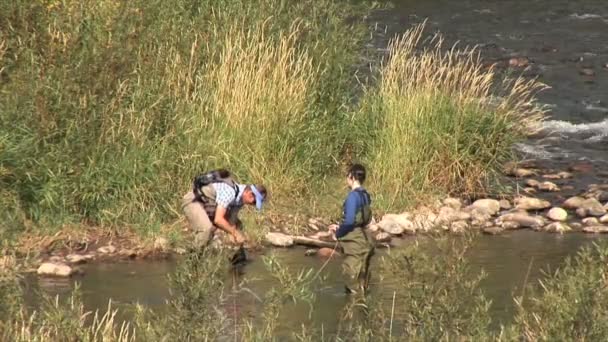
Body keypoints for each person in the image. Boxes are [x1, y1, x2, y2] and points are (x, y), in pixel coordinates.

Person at [181, 169, 267, 249]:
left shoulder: (240, 200)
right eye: (254, 202)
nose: (252, 204)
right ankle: (193, 258)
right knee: (206, 228)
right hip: (193, 201)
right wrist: (235, 233)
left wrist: (235, 235)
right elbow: (218, 219)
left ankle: (202, 252)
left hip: (207, 203)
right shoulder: (230, 192)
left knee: (237, 225)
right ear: (249, 193)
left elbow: (231, 222)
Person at [329, 164, 374, 295]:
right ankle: (362, 312)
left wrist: (338, 233)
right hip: (366, 239)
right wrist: (340, 225)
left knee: (352, 281)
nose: (346, 179)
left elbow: (349, 222)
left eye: (347, 176)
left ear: (352, 177)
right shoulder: (365, 195)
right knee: (363, 282)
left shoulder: (352, 197)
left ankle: (352, 311)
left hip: (355, 241)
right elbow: (360, 219)